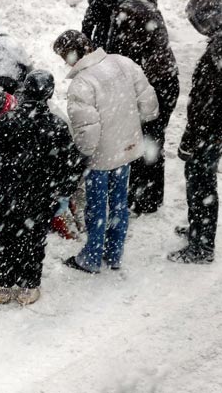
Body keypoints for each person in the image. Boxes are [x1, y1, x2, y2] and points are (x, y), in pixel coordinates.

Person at [52, 30, 159, 273]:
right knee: (120, 203)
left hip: (101, 157)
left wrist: (83, 154)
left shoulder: (82, 84)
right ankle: (114, 253)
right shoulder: (122, 62)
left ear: (70, 56)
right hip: (127, 149)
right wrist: (128, 128)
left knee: (97, 208)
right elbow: (149, 105)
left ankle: (91, 257)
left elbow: (87, 132)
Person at [0, 70, 84, 305]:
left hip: (5, 195)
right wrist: (63, 191)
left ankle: (2, 284)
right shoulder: (57, 126)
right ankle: (28, 285)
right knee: (33, 241)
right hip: (41, 198)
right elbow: (72, 164)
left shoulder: (6, 121)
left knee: (2, 239)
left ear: (25, 90)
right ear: (49, 93)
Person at [169, 0, 222, 264]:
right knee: (202, 181)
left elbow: (202, 105)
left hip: (211, 130)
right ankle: (198, 231)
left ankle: (201, 246)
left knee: (200, 183)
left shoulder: (219, 50)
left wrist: (190, 140)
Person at [97, 0, 179, 215]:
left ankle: (141, 199)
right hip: (166, 84)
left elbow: (120, 60)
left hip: (150, 88)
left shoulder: (126, 12)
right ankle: (151, 196)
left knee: (142, 140)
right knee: (153, 139)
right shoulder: (145, 5)